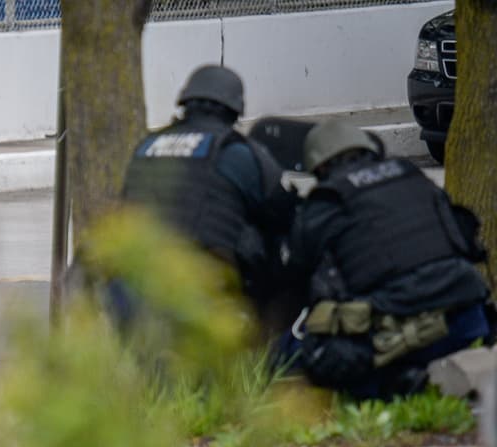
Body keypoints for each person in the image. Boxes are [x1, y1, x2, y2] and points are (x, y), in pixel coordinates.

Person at [283, 119, 492, 400]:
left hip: (399, 335)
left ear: (319, 167)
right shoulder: (411, 175)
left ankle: (397, 384)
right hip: (467, 320)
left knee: (295, 352)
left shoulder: (326, 200)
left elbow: (295, 276)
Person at [119, 64, 301, 337]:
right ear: (234, 110)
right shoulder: (235, 152)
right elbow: (284, 211)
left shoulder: (147, 146)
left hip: (139, 283)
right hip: (205, 287)